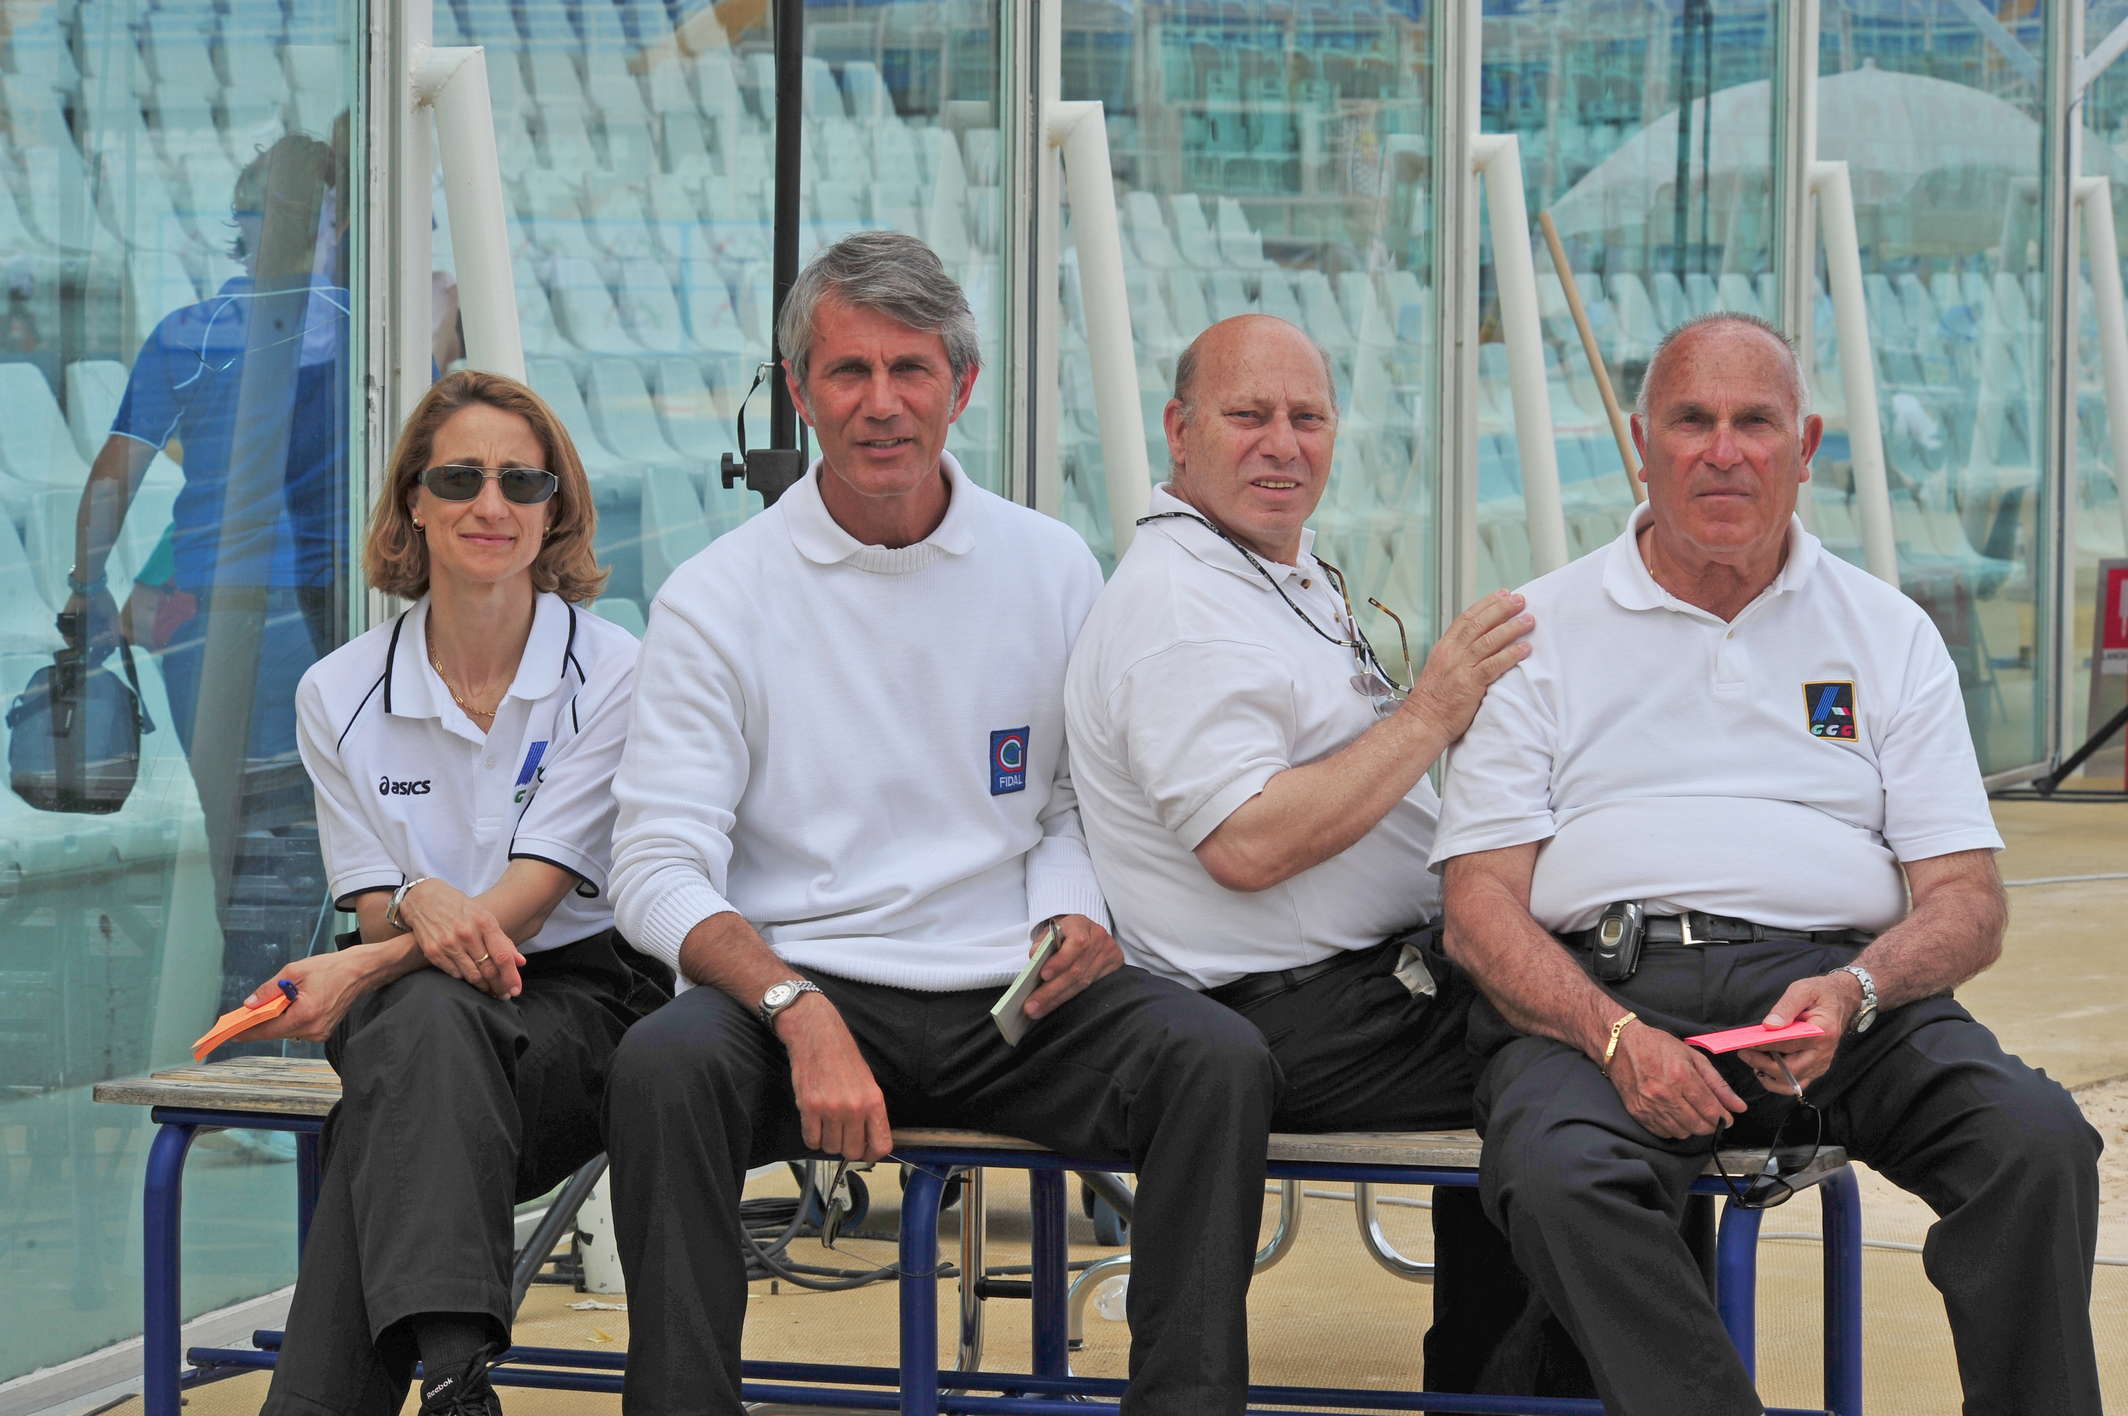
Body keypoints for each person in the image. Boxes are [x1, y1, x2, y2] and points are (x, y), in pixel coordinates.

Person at [602, 231, 1277, 1415]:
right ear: (800, 391)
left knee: (1216, 1062)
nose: (881, 404)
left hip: (1006, 1003)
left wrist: (1070, 914)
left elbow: (1071, 803)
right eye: (848, 372)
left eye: (910, 369)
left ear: (961, 387)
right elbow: (655, 869)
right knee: (662, 1066)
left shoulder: (1050, 565)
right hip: (802, 993)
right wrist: (792, 1006)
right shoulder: (714, 598)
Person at [1433, 313, 2103, 1415]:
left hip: (1835, 996)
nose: (1723, 451)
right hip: (1607, 995)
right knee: (1558, 1179)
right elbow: (1478, 907)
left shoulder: (1887, 632)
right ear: (1640, 443)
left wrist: (1857, 989)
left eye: (1755, 422)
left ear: (1806, 447)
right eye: (1690, 421)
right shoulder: (1537, 632)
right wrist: (1614, 1036)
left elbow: (1967, 902)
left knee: (2035, 1145)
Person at [1062, 313, 1573, 1397]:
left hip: (1359, 993)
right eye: (1247, 416)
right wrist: (1433, 709)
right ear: (1179, 432)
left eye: (1308, 418)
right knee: (1587, 1040)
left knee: (1558, 1034)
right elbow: (1246, 842)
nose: (1282, 444)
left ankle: (1499, 1387)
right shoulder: (1182, 609)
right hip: (1289, 1012)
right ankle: (1522, 1392)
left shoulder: (1260, 574)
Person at [236, 370, 667, 1416]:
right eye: (461, 478)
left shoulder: (617, 670)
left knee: (396, 1081)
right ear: (414, 503)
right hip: (420, 1015)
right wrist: (413, 913)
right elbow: (375, 900)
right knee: (424, 1022)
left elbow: (535, 893)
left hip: (577, 1003)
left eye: (523, 481)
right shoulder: (336, 690)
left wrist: (382, 945)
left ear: (554, 508)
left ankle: (432, 1377)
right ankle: (456, 1379)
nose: (492, 504)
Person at [64, 132, 353, 1025]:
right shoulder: (364, 330)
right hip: (326, 615)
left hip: (206, 622)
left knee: (245, 852)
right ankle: (288, 1045)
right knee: (317, 846)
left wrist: (86, 590)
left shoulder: (189, 334)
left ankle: (253, 1038)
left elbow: (110, 484)